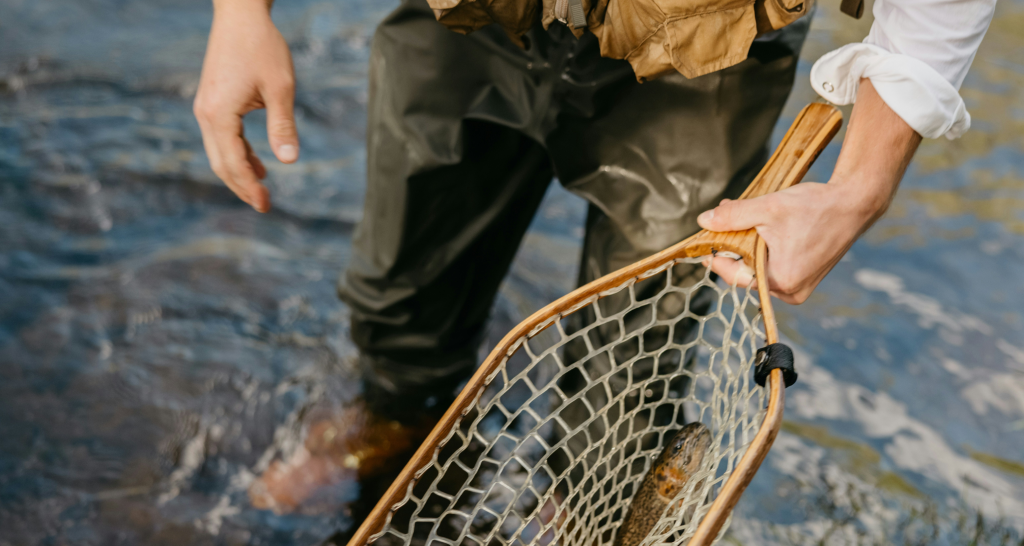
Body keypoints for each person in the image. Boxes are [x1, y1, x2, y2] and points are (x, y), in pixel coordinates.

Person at [194, 0, 995, 512]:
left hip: (703, 59)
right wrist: (240, 16)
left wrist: (861, 189)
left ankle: (578, 516)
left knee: (630, 362)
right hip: (469, 22)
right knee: (402, 285)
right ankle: (395, 413)